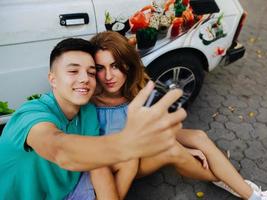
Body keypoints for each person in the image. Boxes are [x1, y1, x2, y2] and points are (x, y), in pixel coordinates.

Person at [73, 31, 267, 200]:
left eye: (115, 65)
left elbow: (152, 128)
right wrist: (184, 150)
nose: (109, 76)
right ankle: (232, 183)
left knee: (198, 136)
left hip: (142, 143)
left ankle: (244, 189)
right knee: (172, 150)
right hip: (123, 161)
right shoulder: (89, 100)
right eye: (101, 68)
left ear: (126, 64)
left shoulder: (132, 88)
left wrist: (187, 145)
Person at [0, 38, 187, 199]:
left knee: (127, 161)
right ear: (53, 79)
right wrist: (126, 143)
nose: (85, 79)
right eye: (73, 71)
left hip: (70, 189)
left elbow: (98, 165)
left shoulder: (88, 111)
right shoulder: (31, 113)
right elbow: (59, 149)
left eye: (90, 72)